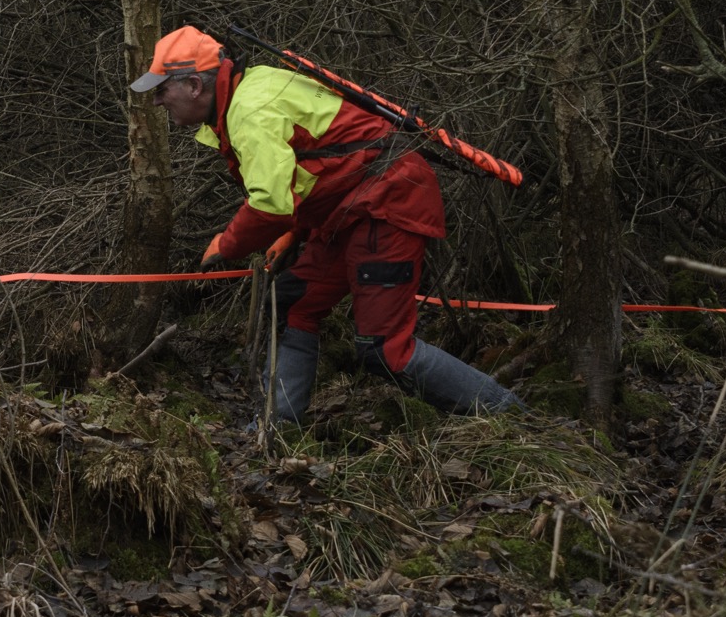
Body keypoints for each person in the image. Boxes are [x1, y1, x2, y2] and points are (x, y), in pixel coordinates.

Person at [132, 25, 522, 419]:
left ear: (195, 85)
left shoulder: (249, 111)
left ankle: (515, 419)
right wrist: (292, 232)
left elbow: (270, 203)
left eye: (162, 91)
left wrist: (227, 245)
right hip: (350, 212)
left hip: (387, 204)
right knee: (291, 304)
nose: (159, 102)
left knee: (385, 350)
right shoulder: (255, 89)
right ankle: (278, 427)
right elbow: (315, 163)